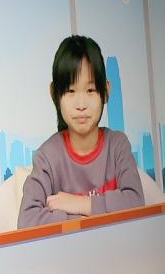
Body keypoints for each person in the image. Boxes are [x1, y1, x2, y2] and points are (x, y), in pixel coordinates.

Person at [18, 35, 145, 227]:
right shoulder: (47, 157)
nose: (81, 104)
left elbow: (136, 202)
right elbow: (27, 220)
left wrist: (80, 204)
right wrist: (95, 216)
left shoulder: (117, 146)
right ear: (55, 94)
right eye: (71, 91)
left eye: (90, 90)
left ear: (106, 91)